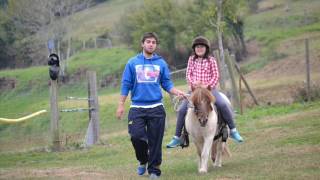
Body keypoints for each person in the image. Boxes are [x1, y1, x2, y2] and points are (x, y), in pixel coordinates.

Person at [116, 32, 185, 179]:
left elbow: (166, 83)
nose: (151, 44)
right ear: (142, 44)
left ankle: (154, 171)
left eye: (154, 42)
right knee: (136, 137)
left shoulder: (161, 63)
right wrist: (121, 104)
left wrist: (176, 91)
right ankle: (143, 160)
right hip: (137, 108)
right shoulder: (132, 63)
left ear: (156, 45)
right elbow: (126, 84)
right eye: (148, 41)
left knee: (155, 141)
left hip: (156, 108)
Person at [166, 36, 244, 148]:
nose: (199, 49)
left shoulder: (211, 60)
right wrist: (194, 84)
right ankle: (177, 137)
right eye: (197, 47)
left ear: (206, 48)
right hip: (195, 90)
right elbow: (188, 75)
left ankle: (233, 130)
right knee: (183, 109)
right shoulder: (191, 60)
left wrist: (208, 86)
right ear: (194, 49)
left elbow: (216, 75)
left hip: (209, 90)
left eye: (202, 47)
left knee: (222, 104)